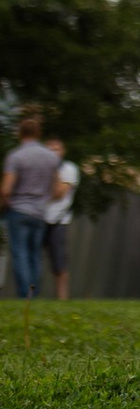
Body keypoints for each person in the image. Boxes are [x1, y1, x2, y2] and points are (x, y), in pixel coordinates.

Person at [4, 112, 62, 300]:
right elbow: (58, 190)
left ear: (20, 133)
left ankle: (24, 295)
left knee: (20, 253)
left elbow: (5, 189)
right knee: (35, 254)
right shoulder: (51, 158)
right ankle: (33, 294)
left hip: (18, 210)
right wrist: (43, 199)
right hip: (40, 213)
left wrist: (5, 204)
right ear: (39, 133)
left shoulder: (16, 156)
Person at [42, 137, 75, 300]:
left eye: (57, 149)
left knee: (59, 263)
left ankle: (62, 298)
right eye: (50, 149)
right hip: (39, 218)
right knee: (31, 259)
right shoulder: (40, 168)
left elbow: (58, 193)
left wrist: (53, 171)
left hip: (58, 221)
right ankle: (29, 296)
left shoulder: (69, 169)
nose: (53, 153)